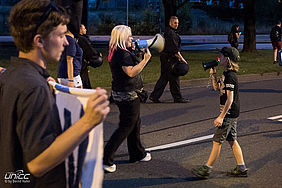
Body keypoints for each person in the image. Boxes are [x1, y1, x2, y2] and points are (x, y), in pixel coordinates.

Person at [0, 1, 110, 187]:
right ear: (39, 41)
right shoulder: (33, 88)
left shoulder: (12, 75)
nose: (66, 41)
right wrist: (88, 121)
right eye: (60, 35)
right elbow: (37, 163)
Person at [192, 47, 248, 178]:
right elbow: (217, 88)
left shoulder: (231, 76)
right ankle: (241, 168)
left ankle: (206, 169)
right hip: (230, 112)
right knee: (232, 140)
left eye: (221, 56)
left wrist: (221, 117)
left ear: (227, 59)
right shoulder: (225, 74)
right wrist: (213, 74)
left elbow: (230, 99)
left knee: (217, 141)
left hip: (228, 113)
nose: (219, 58)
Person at [103, 25, 152, 173]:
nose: (132, 38)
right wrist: (145, 60)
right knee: (126, 126)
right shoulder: (122, 54)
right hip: (127, 94)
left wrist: (136, 52)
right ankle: (106, 159)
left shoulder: (118, 51)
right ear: (121, 38)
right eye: (129, 36)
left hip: (122, 92)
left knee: (135, 123)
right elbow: (130, 72)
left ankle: (137, 153)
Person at [149, 16, 189, 103]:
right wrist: (183, 60)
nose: (177, 25)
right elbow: (175, 50)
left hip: (165, 58)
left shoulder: (167, 31)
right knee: (174, 78)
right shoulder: (171, 34)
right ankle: (177, 98)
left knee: (164, 78)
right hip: (170, 59)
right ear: (170, 23)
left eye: (177, 23)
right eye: (175, 23)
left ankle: (154, 96)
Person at [78, 24, 103, 89]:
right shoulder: (82, 39)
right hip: (82, 64)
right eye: (84, 28)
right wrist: (97, 54)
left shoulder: (78, 38)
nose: (85, 30)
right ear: (80, 30)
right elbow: (90, 50)